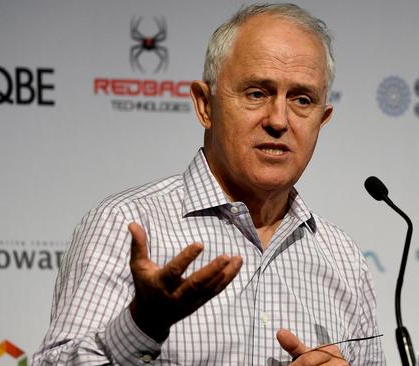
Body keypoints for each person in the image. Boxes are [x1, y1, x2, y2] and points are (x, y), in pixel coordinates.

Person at [33, 3, 384, 365]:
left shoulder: (344, 259)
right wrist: (142, 325)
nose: (279, 120)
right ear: (205, 105)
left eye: (302, 100)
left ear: (322, 119)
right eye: (257, 93)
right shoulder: (126, 225)